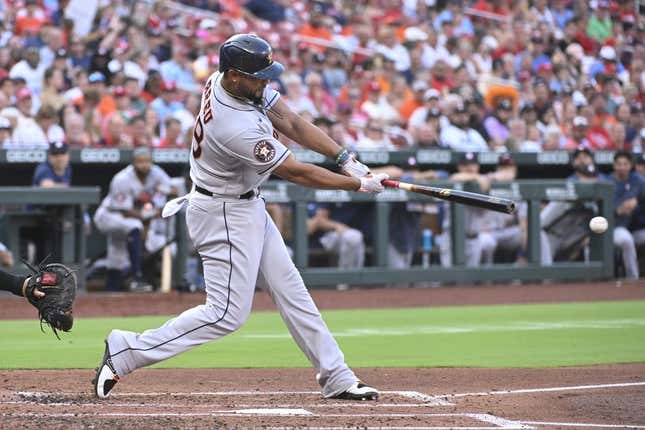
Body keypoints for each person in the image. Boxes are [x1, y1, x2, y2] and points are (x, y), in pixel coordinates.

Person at [93, 34, 387, 401]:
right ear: (233, 74)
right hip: (224, 213)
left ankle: (337, 376)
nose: (266, 82)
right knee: (226, 314)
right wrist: (355, 185)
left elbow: (291, 120)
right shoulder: (235, 126)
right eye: (258, 75)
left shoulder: (230, 83)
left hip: (245, 205)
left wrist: (344, 156)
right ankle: (127, 351)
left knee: (292, 291)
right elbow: (297, 172)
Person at [93, 147, 176, 292]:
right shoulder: (122, 179)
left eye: (147, 161)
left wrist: (160, 197)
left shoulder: (157, 173)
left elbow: (172, 190)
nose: (144, 165)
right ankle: (137, 277)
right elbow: (124, 211)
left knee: (117, 257)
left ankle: (111, 292)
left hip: (132, 219)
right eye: (140, 162)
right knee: (135, 226)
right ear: (133, 163)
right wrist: (147, 218)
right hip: (109, 215)